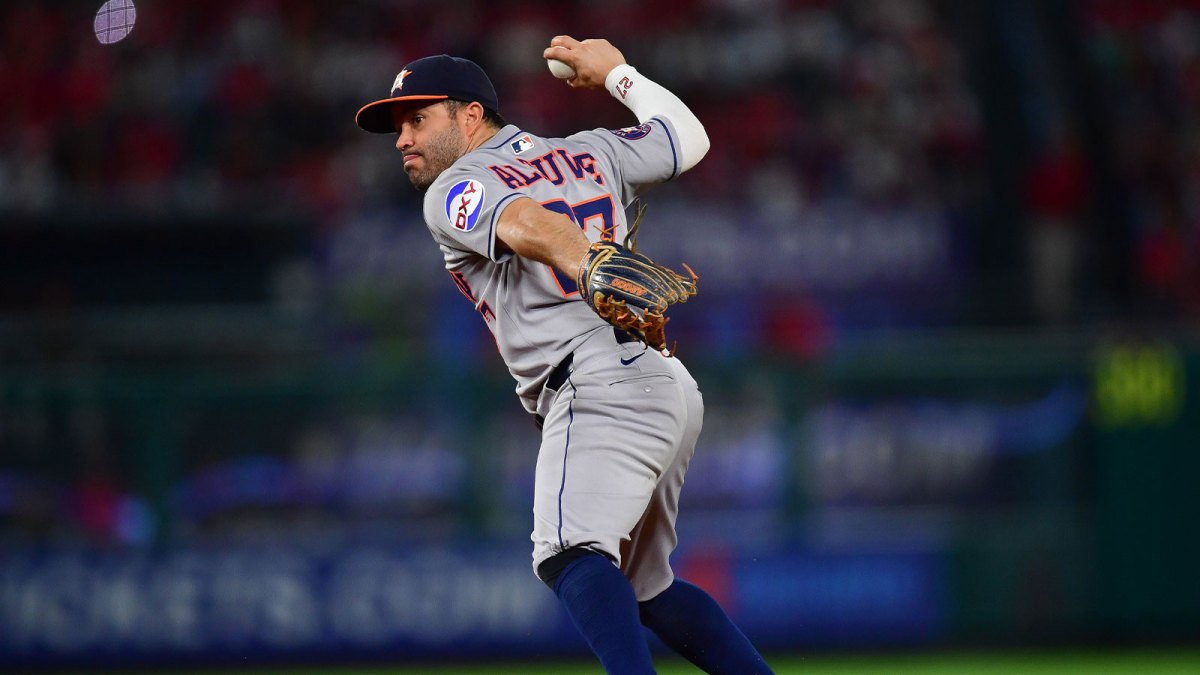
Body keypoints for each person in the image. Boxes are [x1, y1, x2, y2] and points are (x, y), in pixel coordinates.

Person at [355, 35, 773, 674]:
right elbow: (688, 139)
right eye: (396, 126)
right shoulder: (590, 150)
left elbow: (522, 220)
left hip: (599, 383)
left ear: (471, 116)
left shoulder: (453, 187)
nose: (402, 138)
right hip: (665, 384)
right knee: (645, 590)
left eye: (418, 118)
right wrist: (619, 76)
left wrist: (585, 262)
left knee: (567, 553)